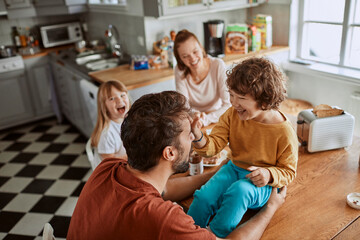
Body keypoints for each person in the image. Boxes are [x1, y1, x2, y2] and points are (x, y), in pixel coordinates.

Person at [67, 91, 287, 240]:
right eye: (187, 133)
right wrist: (270, 208)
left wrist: (214, 174)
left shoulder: (107, 168)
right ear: (169, 153)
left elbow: (164, 190)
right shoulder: (165, 219)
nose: (193, 137)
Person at [188, 57, 298, 238]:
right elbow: (213, 146)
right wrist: (197, 134)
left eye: (241, 98)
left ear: (264, 100)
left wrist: (268, 174)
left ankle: (214, 234)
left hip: (262, 183)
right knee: (204, 197)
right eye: (231, 94)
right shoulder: (232, 115)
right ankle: (187, 231)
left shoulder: (284, 132)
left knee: (239, 191)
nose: (233, 102)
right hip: (234, 168)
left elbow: (288, 171)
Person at [174, 30, 231, 126]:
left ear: (201, 47)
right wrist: (194, 115)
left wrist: (205, 120)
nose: (192, 59)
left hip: (217, 118)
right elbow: (183, 107)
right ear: (180, 59)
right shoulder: (180, 70)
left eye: (195, 51)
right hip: (193, 120)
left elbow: (228, 105)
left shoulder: (217, 65)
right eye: (185, 56)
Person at [90, 80, 130, 168]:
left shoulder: (131, 121)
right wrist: (135, 157)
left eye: (122, 95)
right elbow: (110, 163)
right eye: (112, 98)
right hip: (111, 171)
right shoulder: (107, 134)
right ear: (104, 106)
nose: (119, 100)